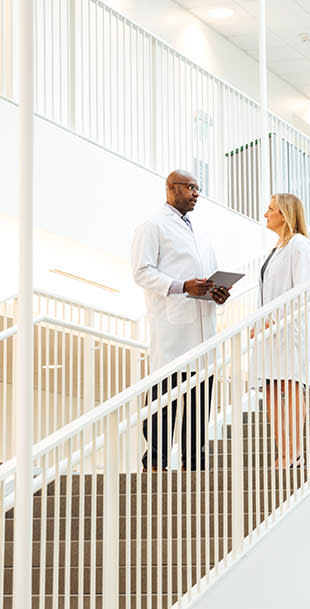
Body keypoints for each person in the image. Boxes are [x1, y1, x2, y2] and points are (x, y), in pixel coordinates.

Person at [130, 170, 230, 471]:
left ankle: (194, 461)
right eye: (190, 187)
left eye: (199, 188)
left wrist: (217, 292)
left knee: (200, 402)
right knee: (165, 399)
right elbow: (141, 272)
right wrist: (182, 286)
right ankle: (155, 461)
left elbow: (208, 271)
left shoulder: (200, 231)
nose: (196, 193)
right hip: (172, 328)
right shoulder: (152, 226)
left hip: (203, 327)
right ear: (171, 188)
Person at [254, 193, 310, 468]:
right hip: (269, 332)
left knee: (290, 388)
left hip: (288, 330)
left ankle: (295, 453)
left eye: (270, 210)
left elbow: (304, 291)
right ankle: (283, 453)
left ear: (284, 214)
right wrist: (259, 324)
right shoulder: (277, 248)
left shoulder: (300, 245)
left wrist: (278, 320)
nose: (265, 214)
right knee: (270, 391)